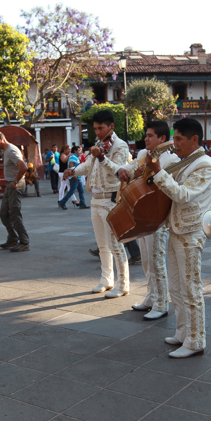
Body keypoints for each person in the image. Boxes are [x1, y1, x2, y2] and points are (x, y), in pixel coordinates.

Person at [144, 118, 211, 357]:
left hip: (191, 233)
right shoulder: (188, 162)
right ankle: (182, 332)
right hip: (177, 229)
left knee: (191, 288)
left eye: (178, 139)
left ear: (194, 139)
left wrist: (157, 172)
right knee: (176, 287)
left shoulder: (205, 164)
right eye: (174, 139)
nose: (174, 144)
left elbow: (183, 195)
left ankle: (196, 341)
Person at [63, 110, 131, 297]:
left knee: (116, 245)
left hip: (111, 200)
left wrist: (102, 157)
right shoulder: (98, 144)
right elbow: (88, 166)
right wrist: (73, 171)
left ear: (111, 126)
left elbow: (118, 171)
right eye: (95, 129)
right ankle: (106, 279)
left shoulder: (120, 146)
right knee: (102, 245)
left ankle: (123, 283)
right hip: (96, 199)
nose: (98, 132)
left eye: (101, 128)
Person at [117, 120, 176, 320]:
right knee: (146, 261)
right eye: (146, 135)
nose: (146, 138)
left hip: (159, 217)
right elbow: (132, 167)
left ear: (162, 139)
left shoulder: (171, 160)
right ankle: (151, 298)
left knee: (157, 261)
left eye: (150, 135)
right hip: (142, 214)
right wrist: (123, 170)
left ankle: (162, 303)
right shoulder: (143, 155)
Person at [0, 131, 29, 252]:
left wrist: (15, 181)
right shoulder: (7, 150)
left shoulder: (11, 150)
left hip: (15, 184)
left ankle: (24, 242)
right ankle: (13, 238)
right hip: (10, 184)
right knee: (4, 213)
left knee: (14, 213)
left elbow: (24, 167)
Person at [59, 145, 88, 209]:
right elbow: (71, 167)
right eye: (79, 150)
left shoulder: (76, 157)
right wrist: (74, 175)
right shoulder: (73, 157)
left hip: (78, 176)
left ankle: (82, 204)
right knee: (72, 191)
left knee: (81, 190)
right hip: (74, 177)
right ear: (75, 151)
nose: (80, 151)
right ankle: (62, 202)